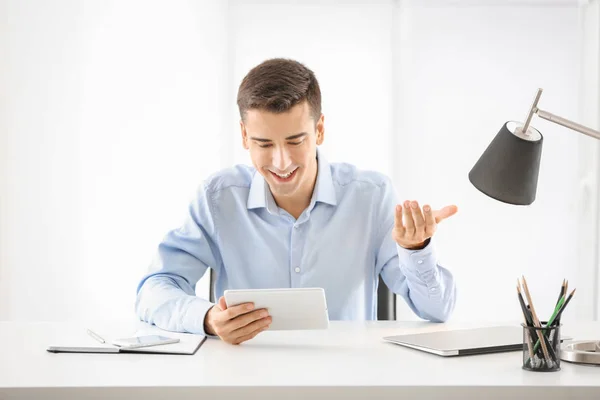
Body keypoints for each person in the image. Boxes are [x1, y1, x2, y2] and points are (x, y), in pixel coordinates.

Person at [135, 58, 458, 345]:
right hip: (243, 379)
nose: (281, 161)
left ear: (318, 130)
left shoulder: (372, 196)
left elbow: (439, 310)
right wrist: (206, 318)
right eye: (263, 143)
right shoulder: (218, 198)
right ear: (244, 136)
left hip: (348, 381)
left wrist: (416, 250)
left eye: (295, 141)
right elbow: (153, 291)